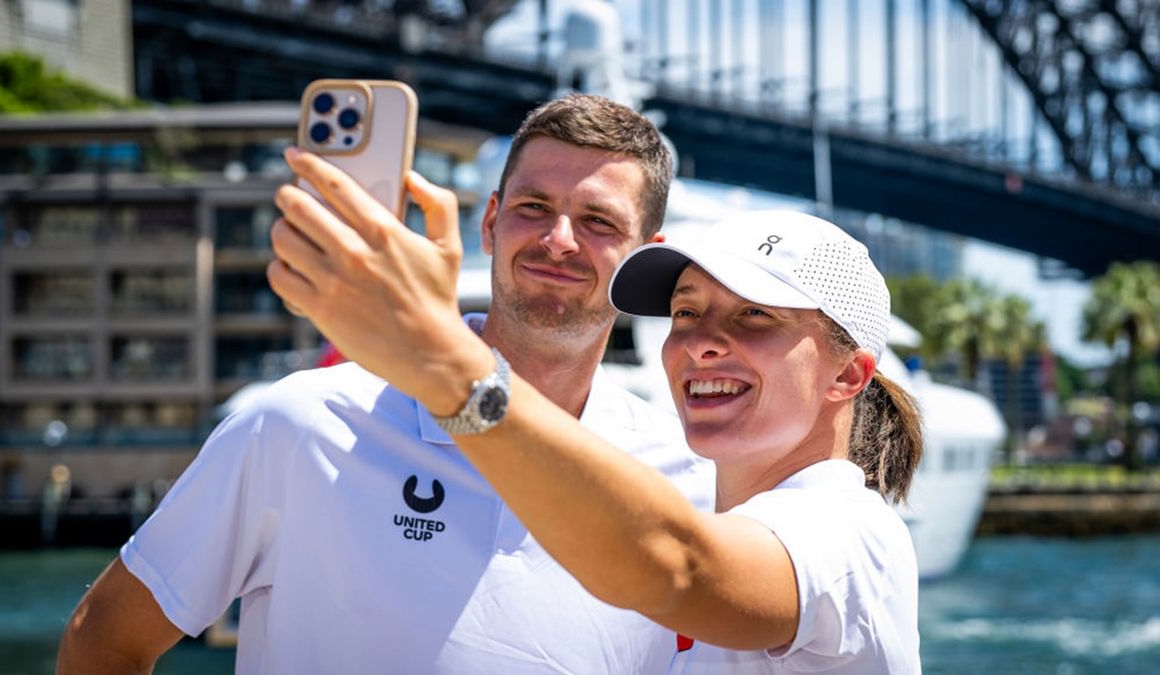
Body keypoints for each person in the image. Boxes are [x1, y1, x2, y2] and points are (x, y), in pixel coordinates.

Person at [56, 94, 714, 674]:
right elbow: (104, 641)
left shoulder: (689, 476)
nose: (558, 239)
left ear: (646, 253)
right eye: (533, 206)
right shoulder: (298, 423)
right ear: (489, 221)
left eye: (598, 221)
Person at [264, 149, 925, 672]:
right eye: (687, 311)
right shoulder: (732, 517)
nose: (701, 341)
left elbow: (675, 565)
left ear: (849, 373)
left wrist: (445, 363)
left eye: (754, 315)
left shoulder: (848, 534)